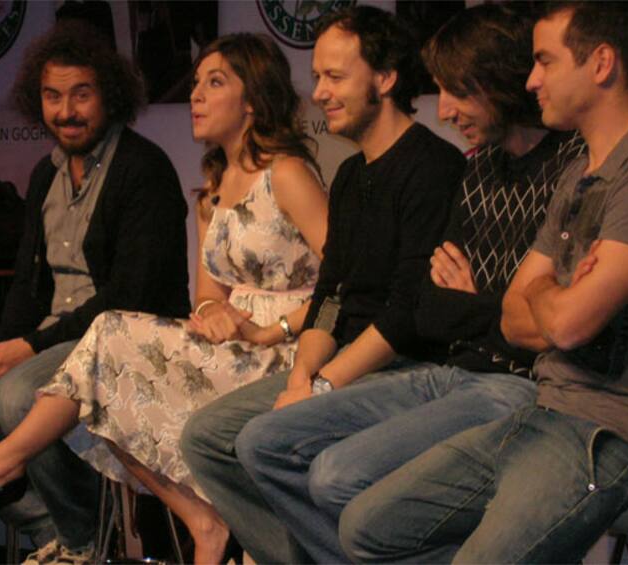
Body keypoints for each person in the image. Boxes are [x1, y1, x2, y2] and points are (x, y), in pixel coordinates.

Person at [339, 2, 628, 563]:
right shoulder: (580, 171)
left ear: (602, 63)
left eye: (545, 61)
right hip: (548, 409)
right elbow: (515, 318)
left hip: (620, 432)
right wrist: (555, 295)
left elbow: (565, 325)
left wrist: (549, 296)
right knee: (365, 526)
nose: (532, 79)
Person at [0, 32, 328, 564]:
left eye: (214, 83)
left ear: (253, 99)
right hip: (232, 346)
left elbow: (345, 283)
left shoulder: (286, 173)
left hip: (289, 350)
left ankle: (18, 476)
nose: (196, 96)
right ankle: (202, 522)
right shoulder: (214, 188)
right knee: (105, 382)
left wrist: (271, 329)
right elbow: (206, 294)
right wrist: (211, 314)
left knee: (105, 340)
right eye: (195, 84)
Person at [233, 4, 586, 563]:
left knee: (331, 474)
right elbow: (387, 301)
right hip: (435, 368)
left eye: (457, 91)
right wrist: (305, 376)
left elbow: (543, 324)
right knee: (253, 441)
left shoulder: (551, 168)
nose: (443, 109)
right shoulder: (466, 169)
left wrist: (478, 305)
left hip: (495, 379)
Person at [180, 6, 466, 564]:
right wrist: (303, 375)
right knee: (206, 437)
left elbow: (407, 311)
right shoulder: (353, 174)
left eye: (335, 77)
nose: (319, 94)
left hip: (406, 366)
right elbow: (332, 295)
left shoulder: (433, 165)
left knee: (264, 442)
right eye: (316, 78)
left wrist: (323, 386)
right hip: (342, 364)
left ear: (385, 78)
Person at [0, 21, 190, 563]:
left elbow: (129, 295)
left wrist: (28, 349)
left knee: (18, 397)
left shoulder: (143, 169)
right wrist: (3, 345)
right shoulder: (46, 173)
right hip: (51, 341)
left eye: (81, 95)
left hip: (120, 343)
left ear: (110, 95)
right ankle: (51, 527)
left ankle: (83, 543)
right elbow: (28, 285)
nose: (66, 111)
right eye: (52, 96)